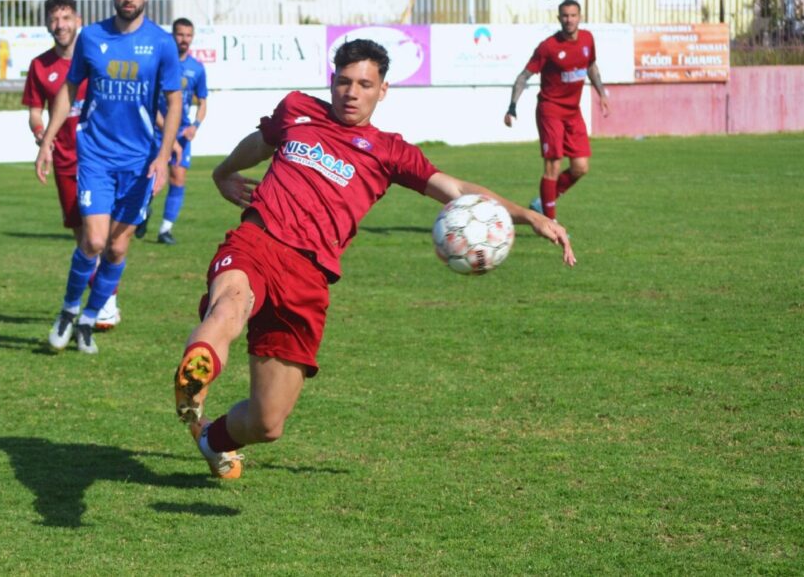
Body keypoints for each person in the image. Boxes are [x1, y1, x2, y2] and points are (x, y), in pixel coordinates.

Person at [172, 39, 576, 479]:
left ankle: (212, 440)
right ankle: (196, 375)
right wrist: (223, 172)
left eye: (364, 84)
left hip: (308, 279)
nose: (351, 93)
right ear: (331, 81)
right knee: (230, 305)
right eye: (344, 82)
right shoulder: (297, 109)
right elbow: (260, 143)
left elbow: (457, 190)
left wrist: (528, 215)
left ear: (382, 90)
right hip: (259, 241)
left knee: (268, 422)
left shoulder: (389, 152)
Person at [36, 0, 183, 354]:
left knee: (117, 248)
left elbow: (173, 102)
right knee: (95, 240)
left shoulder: (161, 43)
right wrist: (47, 140)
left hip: (139, 162)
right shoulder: (91, 37)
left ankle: (89, 319)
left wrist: (163, 157)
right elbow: (69, 90)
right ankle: (69, 310)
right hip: (96, 156)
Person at [23, 0, 120, 330]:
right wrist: (42, 136)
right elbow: (35, 112)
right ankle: (102, 300)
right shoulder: (40, 66)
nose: (60, 25)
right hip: (65, 162)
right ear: (47, 24)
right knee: (84, 238)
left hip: (101, 159)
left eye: (66, 18)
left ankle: (106, 301)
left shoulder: (95, 57)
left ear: (78, 20)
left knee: (104, 236)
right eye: (54, 19)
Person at [504, 0, 610, 222]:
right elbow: (524, 76)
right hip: (550, 111)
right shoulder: (548, 47)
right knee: (553, 164)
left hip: (573, 112)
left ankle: (543, 202)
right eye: (565, 16)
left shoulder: (588, 39)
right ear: (559, 18)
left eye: (573, 15)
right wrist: (512, 106)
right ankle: (550, 222)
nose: (569, 20)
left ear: (580, 17)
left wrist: (601, 93)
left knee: (581, 167)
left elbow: (591, 66)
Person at [137, 17, 209, 245]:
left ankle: (165, 230)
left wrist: (195, 126)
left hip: (181, 132)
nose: (184, 39)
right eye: (180, 34)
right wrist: (165, 129)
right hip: (155, 130)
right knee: (148, 179)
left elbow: (203, 102)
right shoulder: (159, 64)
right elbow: (148, 101)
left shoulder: (197, 68)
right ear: (172, 35)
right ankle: (142, 211)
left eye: (188, 35)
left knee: (178, 178)